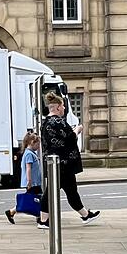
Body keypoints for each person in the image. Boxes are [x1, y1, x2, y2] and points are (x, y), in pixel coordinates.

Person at [38, 91, 99, 229]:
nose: (64, 109)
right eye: (63, 106)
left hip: (55, 162)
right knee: (53, 192)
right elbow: (71, 137)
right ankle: (43, 220)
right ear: (58, 107)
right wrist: (78, 129)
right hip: (63, 163)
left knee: (70, 190)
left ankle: (85, 215)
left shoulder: (46, 122)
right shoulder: (58, 121)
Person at [5, 131, 41, 224]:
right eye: (38, 144)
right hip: (32, 182)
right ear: (32, 142)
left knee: (34, 198)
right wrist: (29, 181)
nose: (38, 147)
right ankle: (39, 216)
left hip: (34, 182)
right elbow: (28, 168)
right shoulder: (29, 154)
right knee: (34, 199)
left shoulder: (30, 152)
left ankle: (12, 212)